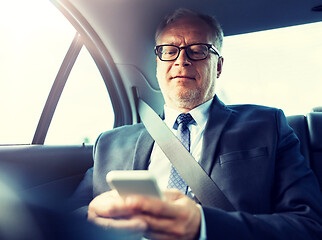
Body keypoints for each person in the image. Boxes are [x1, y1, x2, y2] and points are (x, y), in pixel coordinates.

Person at [70, 8, 322, 240]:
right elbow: (68, 218)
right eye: (169, 51)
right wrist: (91, 218)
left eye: (198, 49)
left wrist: (203, 225)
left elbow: (308, 225)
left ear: (219, 66)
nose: (182, 60)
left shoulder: (268, 126)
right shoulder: (109, 143)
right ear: (158, 64)